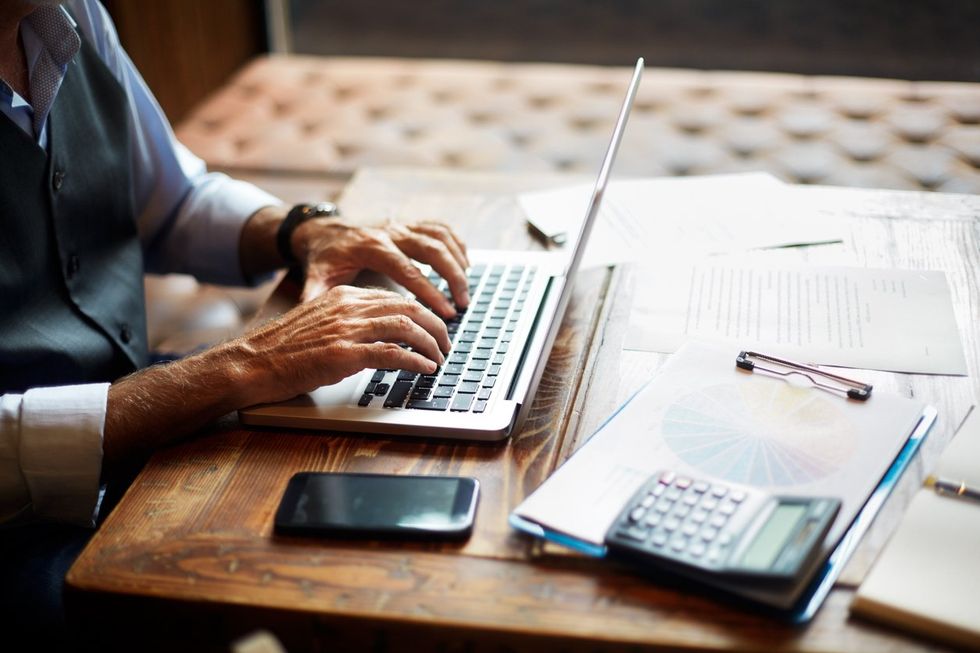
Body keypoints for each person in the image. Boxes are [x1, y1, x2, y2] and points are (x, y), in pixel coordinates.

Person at [0, 0, 470, 640]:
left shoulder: (68, 14)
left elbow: (175, 203)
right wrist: (241, 365)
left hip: (143, 417)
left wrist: (306, 230)